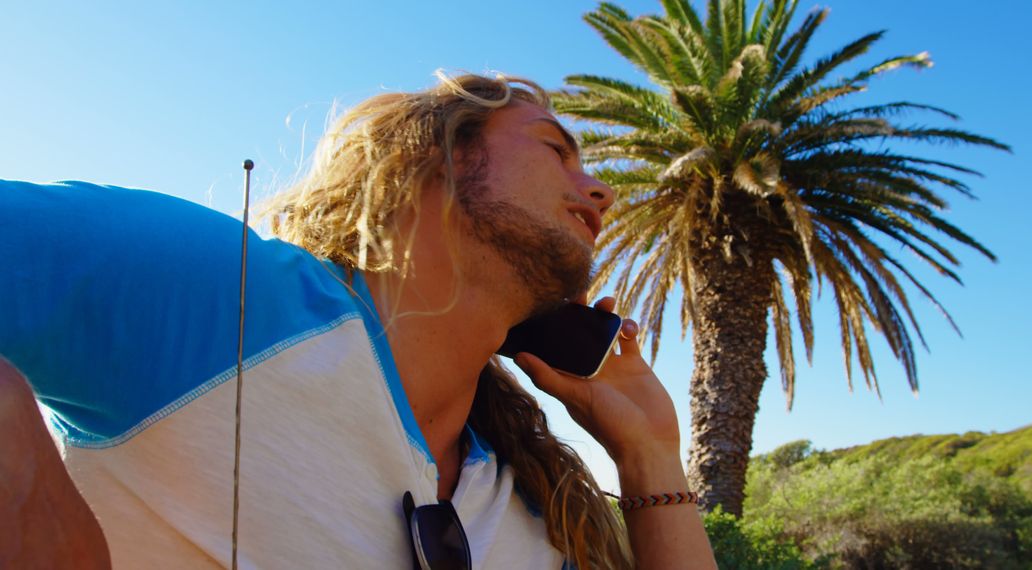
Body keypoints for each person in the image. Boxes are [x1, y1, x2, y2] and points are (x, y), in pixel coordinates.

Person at [0, 73, 716, 569]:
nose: (599, 190)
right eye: (556, 149)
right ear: (431, 156)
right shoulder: (220, 293)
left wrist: (650, 451)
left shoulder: (526, 513)